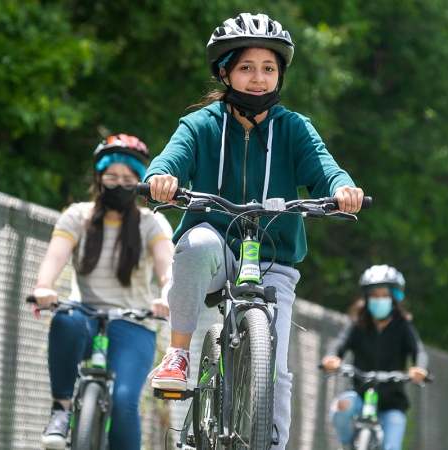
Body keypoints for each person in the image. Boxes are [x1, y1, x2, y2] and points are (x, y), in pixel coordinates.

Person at [142, 12, 365, 449]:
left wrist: (342, 189)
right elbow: (170, 159)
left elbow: (325, 169)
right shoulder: (201, 125)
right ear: (225, 72)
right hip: (218, 254)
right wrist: (162, 179)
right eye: (246, 68)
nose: (258, 79)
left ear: (280, 73)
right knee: (198, 240)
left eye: (268, 68)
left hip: (273, 259)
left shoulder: (294, 128)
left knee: (277, 369)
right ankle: (179, 354)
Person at [31, 134, 175, 450]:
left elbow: (167, 268)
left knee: (124, 403)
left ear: (140, 181)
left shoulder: (153, 222)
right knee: (64, 319)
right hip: (85, 316)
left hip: (134, 324)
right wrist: (44, 286)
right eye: (111, 177)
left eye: (128, 179)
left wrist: (167, 295)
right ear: (99, 177)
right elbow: (55, 256)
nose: (119, 184)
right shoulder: (77, 216)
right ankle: (62, 410)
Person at [321, 265, 429, 450]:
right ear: (366, 298)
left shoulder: (402, 327)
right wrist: (331, 358)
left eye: (384, 296)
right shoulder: (357, 326)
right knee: (340, 407)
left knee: (391, 447)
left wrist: (419, 369)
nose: (379, 300)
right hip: (361, 396)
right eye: (374, 295)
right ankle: (347, 444)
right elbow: (339, 345)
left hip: (392, 404)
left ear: (394, 299)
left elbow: (419, 351)